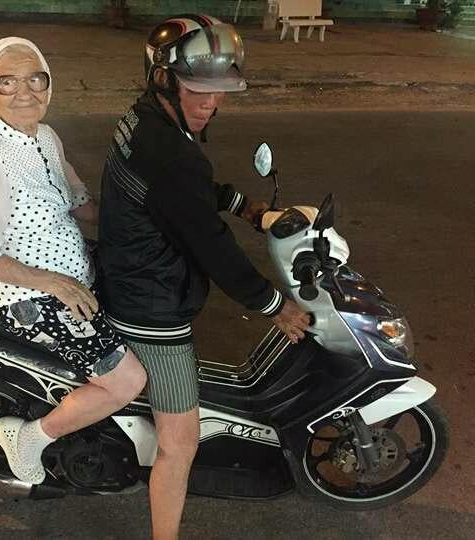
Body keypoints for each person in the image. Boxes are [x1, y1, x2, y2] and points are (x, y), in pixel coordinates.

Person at [98, 15, 311, 539]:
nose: (210, 103)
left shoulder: (149, 121)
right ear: (165, 79)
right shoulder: (169, 149)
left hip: (132, 272)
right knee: (181, 443)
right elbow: (210, 245)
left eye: (220, 92)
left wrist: (245, 205)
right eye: (199, 89)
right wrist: (273, 305)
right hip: (150, 303)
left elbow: (186, 197)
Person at [0, 37, 147, 485]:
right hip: (31, 299)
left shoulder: (45, 136)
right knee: (127, 381)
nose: (25, 92)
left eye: (35, 78)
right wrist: (54, 283)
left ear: (48, 84)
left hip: (77, 275)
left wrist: (144, 217)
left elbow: (79, 201)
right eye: (8, 81)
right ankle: (32, 438)